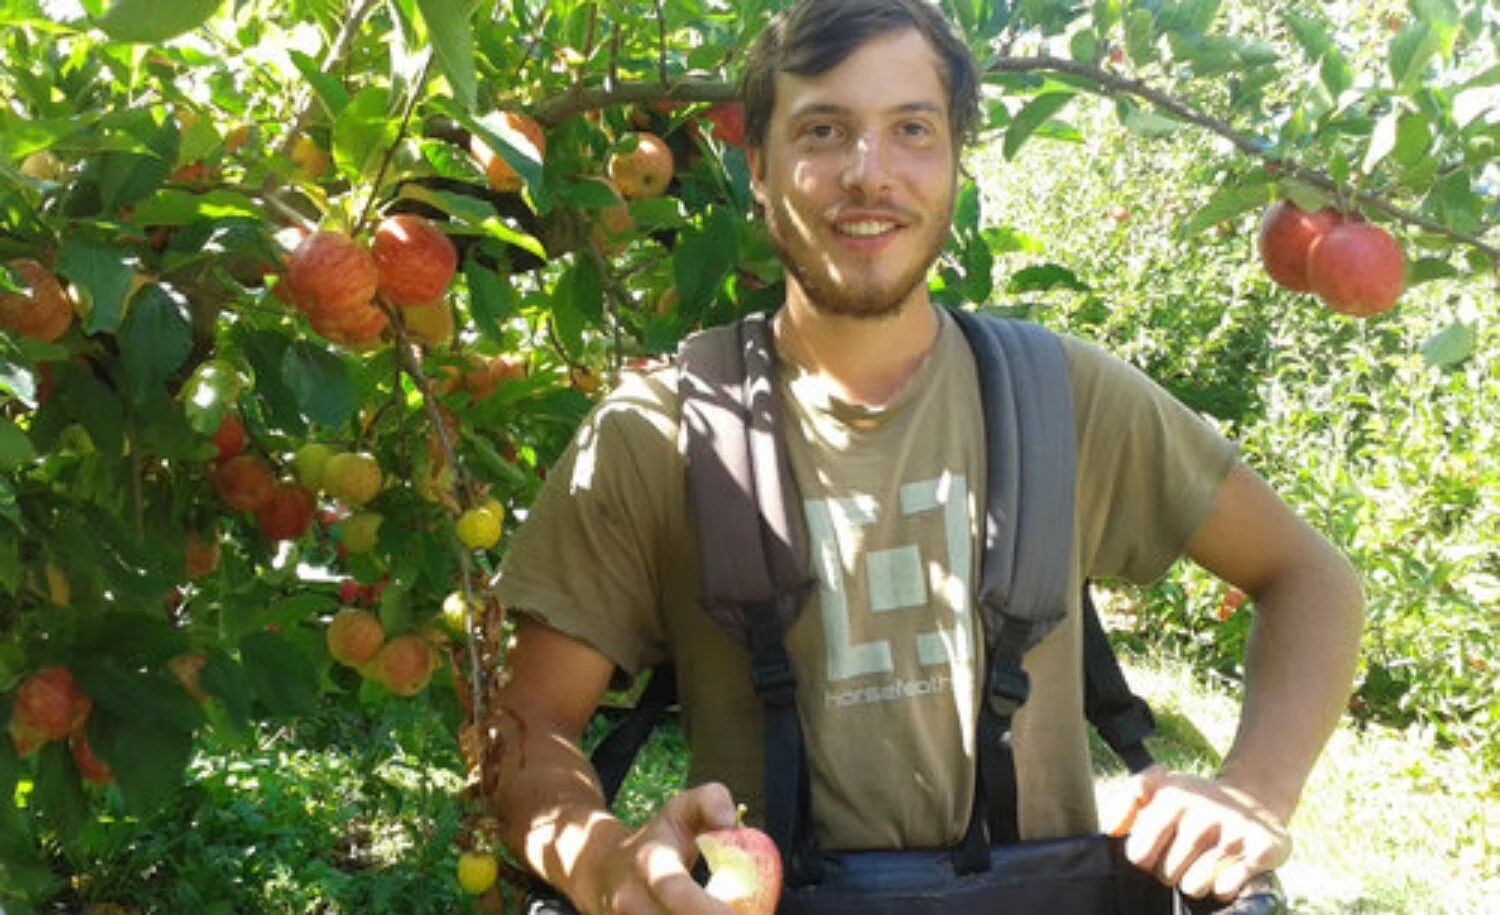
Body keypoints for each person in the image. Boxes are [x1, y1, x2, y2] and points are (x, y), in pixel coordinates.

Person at [489, 0, 1366, 912]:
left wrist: (1255, 791)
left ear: (953, 161)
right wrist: (602, 865)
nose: (868, 173)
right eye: (822, 130)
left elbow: (1311, 576)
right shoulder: (660, 429)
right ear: (757, 168)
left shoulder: (1063, 396)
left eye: (911, 129)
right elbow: (527, 723)